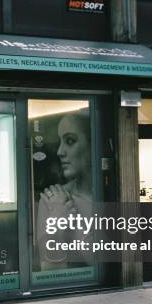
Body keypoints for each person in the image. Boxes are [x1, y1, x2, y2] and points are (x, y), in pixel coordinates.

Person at [36, 110, 93, 269]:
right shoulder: (52, 199)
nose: (59, 152)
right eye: (60, 142)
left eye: (69, 141)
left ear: (92, 144)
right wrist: (57, 224)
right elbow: (49, 272)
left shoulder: (112, 195)